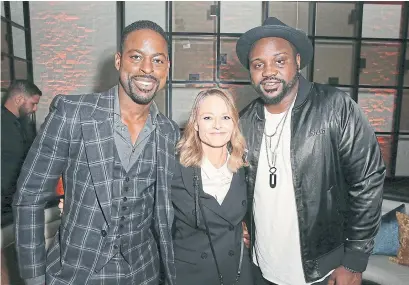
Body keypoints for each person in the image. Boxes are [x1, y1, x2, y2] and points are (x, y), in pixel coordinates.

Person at [13, 20, 179, 285]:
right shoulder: (72, 113)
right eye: (136, 57)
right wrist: (34, 278)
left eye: (158, 60)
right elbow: (29, 196)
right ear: (118, 60)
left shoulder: (170, 133)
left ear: (167, 67)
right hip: (76, 274)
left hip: (144, 273)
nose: (147, 69)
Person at [236, 17, 385, 285]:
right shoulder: (243, 121)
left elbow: (367, 181)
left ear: (298, 61)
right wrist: (240, 222)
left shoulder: (336, 107)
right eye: (259, 65)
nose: (268, 71)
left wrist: (354, 260)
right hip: (261, 265)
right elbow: (238, 185)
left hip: (322, 270)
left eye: (279, 61)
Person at [171, 88, 253, 285]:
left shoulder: (245, 166)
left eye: (225, 117)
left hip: (237, 274)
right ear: (196, 124)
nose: (218, 125)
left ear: (234, 123)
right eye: (208, 118)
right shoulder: (174, 168)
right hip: (189, 276)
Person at [1, 80, 42, 224]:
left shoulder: (26, 125)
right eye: (33, 103)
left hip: (17, 200)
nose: (35, 109)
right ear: (19, 99)